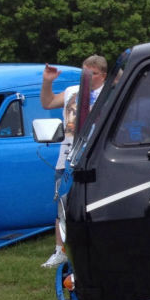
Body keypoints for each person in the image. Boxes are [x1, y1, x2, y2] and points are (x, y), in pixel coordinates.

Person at [40, 54, 107, 267]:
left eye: (92, 74)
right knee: (63, 203)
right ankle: (60, 250)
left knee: (98, 203)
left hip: (98, 157)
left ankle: (98, 247)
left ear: (103, 75)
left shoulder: (111, 93)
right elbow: (48, 102)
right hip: (68, 158)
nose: (86, 77)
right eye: (84, 72)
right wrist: (47, 81)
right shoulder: (72, 91)